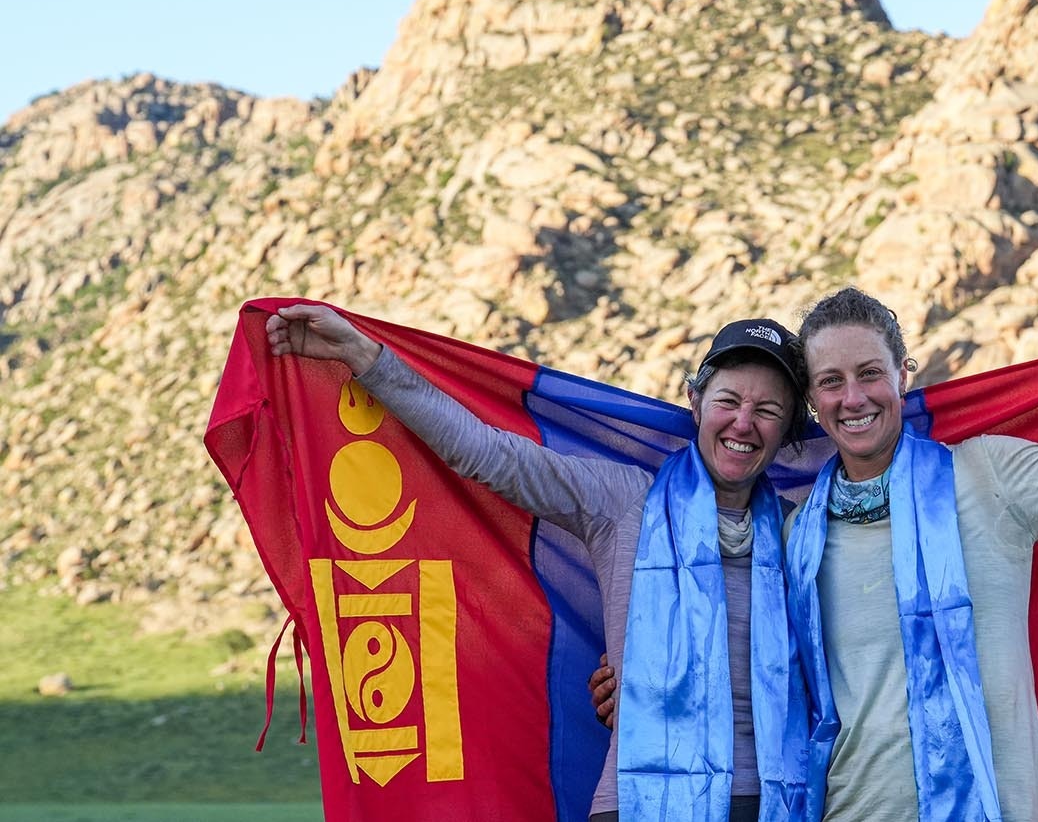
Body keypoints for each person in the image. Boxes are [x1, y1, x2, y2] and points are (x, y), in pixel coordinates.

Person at [595, 285, 1038, 821]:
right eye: (831, 383)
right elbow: (739, 654)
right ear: (814, 400)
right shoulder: (793, 532)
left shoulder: (988, 479)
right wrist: (633, 677)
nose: (854, 397)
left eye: (870, 374)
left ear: (904, 373)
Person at [265, 305, 814, 822]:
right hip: (638, 801)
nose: (743, 423)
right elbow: (484, 452)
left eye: (767, 411)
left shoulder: (803, 532)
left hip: (770, 804)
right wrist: (365, 357)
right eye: (728, 401)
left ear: (786, 432)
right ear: (695, 403)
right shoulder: (623, 502)